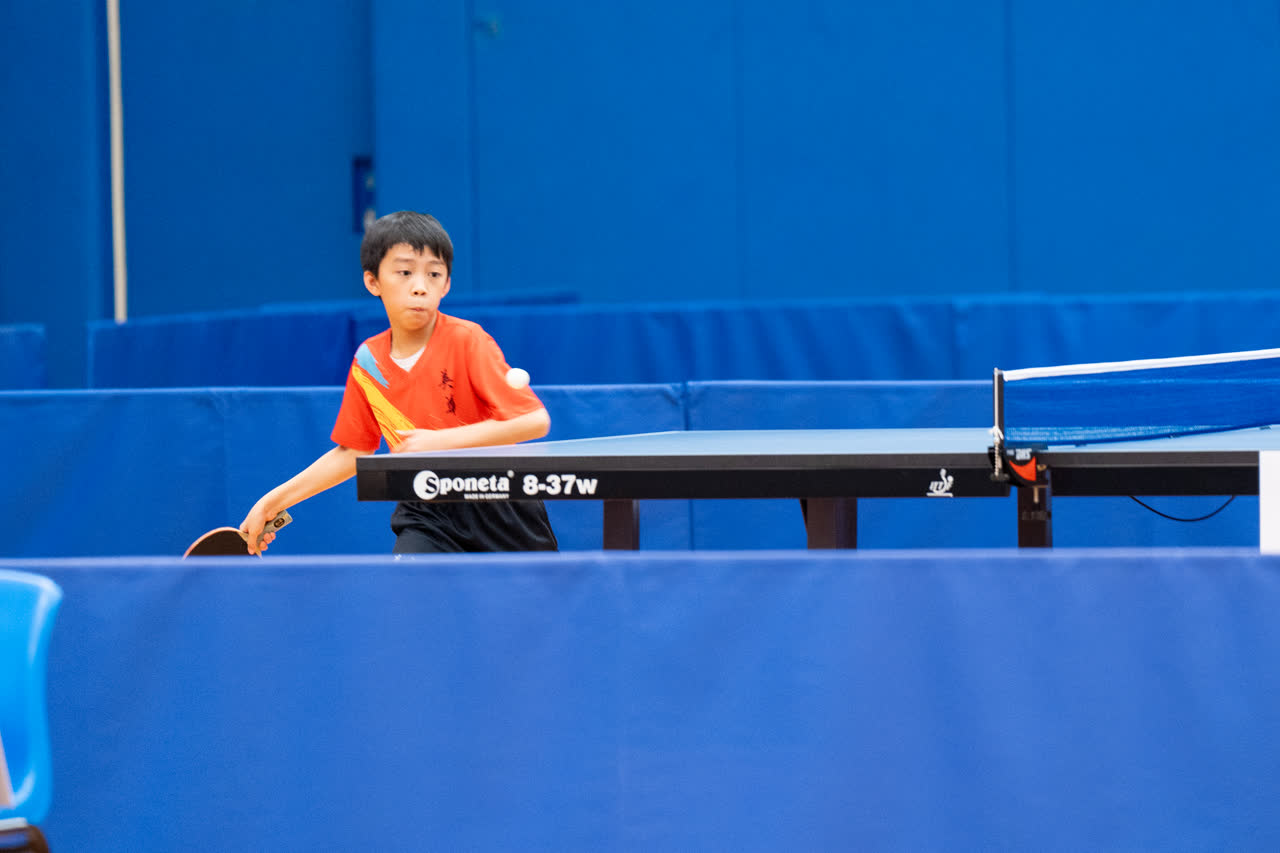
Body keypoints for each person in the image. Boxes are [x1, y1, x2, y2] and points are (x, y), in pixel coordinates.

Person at [240, 210, 558, 553]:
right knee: (408, 585)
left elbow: (534, 421)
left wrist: (438, 442)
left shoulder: (468, 340)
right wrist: (273, 501)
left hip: (501, 504)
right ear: (373, 281)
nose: (420, 287)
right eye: (405, 272)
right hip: (426, 510)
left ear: (446, 285)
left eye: (434, 274)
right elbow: (354, 451)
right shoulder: (369, 360)